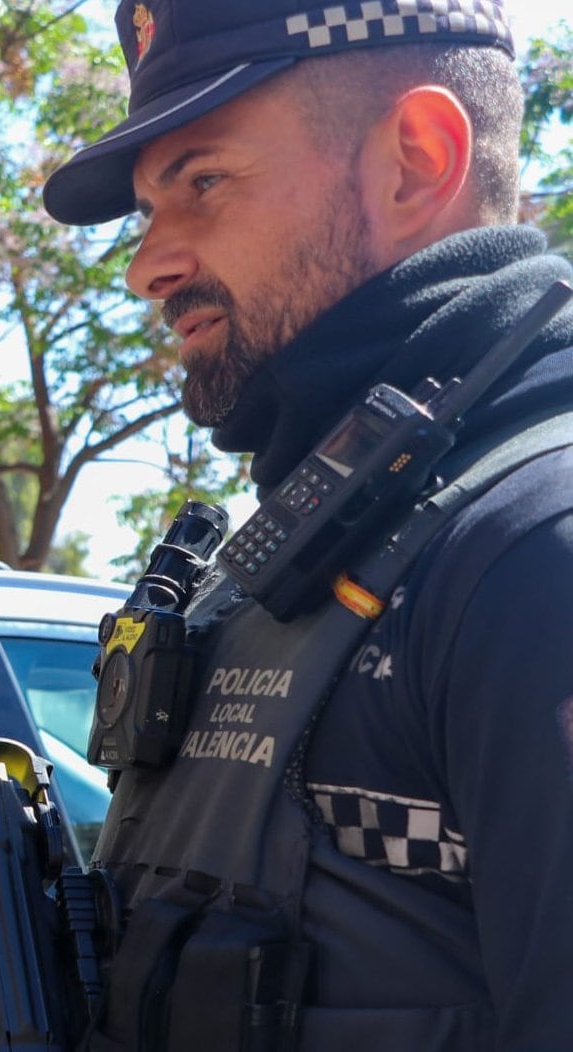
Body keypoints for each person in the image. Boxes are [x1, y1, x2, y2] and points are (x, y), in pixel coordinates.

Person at [34, 0, 573, 1048]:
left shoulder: (534, 551)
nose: (149, 263)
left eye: (202, 180)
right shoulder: (306, 554)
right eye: (151, 207)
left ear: (416, 161)